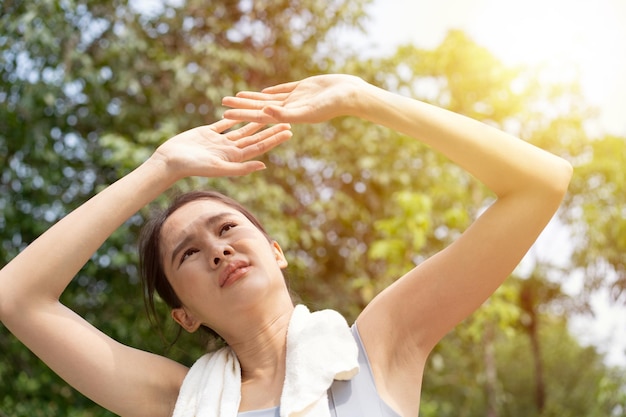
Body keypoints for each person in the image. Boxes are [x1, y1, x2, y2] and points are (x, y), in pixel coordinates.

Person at [0, 74, 572, 417]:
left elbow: (540, 184)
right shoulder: (174, 399)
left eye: (226, 229)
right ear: (185, 313)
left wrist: (362, 97)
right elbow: (17, 298)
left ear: (275, 251)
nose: (217, 251)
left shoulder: (378, 348)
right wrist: (161, 167)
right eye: (188, 254)